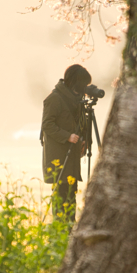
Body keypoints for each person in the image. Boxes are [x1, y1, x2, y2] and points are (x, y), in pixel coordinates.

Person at [41, 64, 92, 224]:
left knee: (71, 193)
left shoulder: (76, 101)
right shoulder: (55, 98)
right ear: (76, 83)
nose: (85, 89)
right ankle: (59, 230)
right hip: (59, 156)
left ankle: (69, 230)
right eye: (84, 84)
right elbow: (47, 125)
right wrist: (68, 136)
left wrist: (84, 140)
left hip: (72, 155)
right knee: (61, 194)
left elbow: (79, 124)